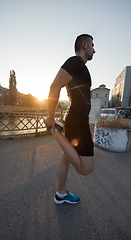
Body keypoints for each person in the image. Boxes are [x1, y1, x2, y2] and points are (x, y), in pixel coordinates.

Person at [45, 34, 96, 204]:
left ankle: (61, 194)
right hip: (77, 121)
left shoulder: (80, 66)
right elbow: (54, 86)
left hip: (76, 118)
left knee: (66, 156)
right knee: (86, 169)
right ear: (84, 45)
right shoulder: (76, 62)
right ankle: (53, 131)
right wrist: (50, 117)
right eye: (92, 46)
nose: (94, 50)